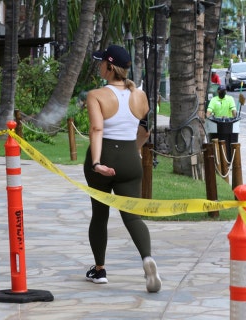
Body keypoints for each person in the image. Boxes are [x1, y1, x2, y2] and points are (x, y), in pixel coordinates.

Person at [83, 44, 161, 293]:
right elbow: (144, 131)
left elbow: (97, 130)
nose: (98, 66)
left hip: (104, 154)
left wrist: (97, 163)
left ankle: (100, 269)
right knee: (132, 215)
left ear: (108, 66)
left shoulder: (96, 95)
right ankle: (147, 258)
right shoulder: (140, 95)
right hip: (130, 157)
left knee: (100, 214)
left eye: (100, 62)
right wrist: (135, 151)